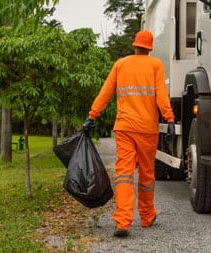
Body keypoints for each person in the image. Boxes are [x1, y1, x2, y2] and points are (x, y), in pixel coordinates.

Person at [84, 30, 175, 237]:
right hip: (147, 129)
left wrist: (92, 116)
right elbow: (161, 94)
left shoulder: (120, 64)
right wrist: (169, 118)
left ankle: (123, 221)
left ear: (134, 45)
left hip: (124, 128)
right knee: (146, 173)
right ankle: (146, 216)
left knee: (124, 173)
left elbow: (105, 91)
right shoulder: (155, 65)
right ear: (149, 48)